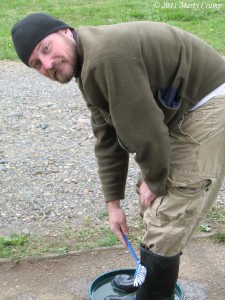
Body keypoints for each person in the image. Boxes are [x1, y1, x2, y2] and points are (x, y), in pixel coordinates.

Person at [11, 13, 225, 300]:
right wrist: (114, 205)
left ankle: (153, 295)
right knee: (152, 193)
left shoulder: (104, 56)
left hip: (210, 99)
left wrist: (156, 180)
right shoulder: (86, 65)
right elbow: (107, 135)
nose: (47, 64)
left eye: (46, 49)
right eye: (36, 64)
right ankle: (147, 276)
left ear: (64, 32)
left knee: (171, 203)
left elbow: (146, 132)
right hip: (184, 106)